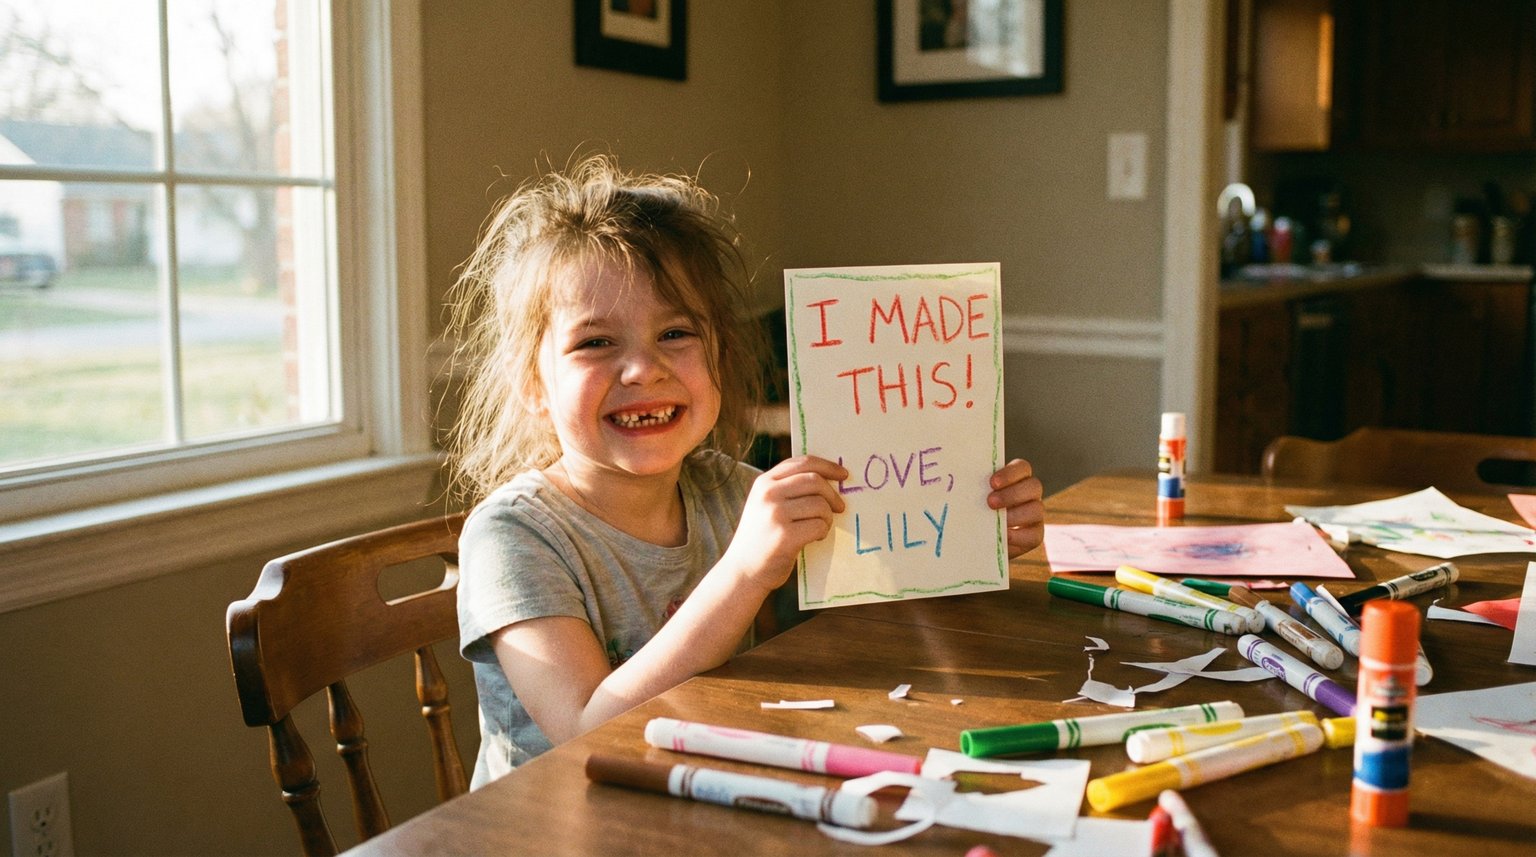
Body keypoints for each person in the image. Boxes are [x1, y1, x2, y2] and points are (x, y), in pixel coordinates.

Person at [447, 153, 1045, 787]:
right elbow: (584, 727)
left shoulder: (728, 490)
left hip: (699, 793)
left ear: (718, 356)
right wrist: (744, 571)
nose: (644, 369)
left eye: (676, 333)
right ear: (531, 385)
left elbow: (879, 602)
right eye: (595, 342)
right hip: (547, 828)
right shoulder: (513, 539)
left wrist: (971, 539)